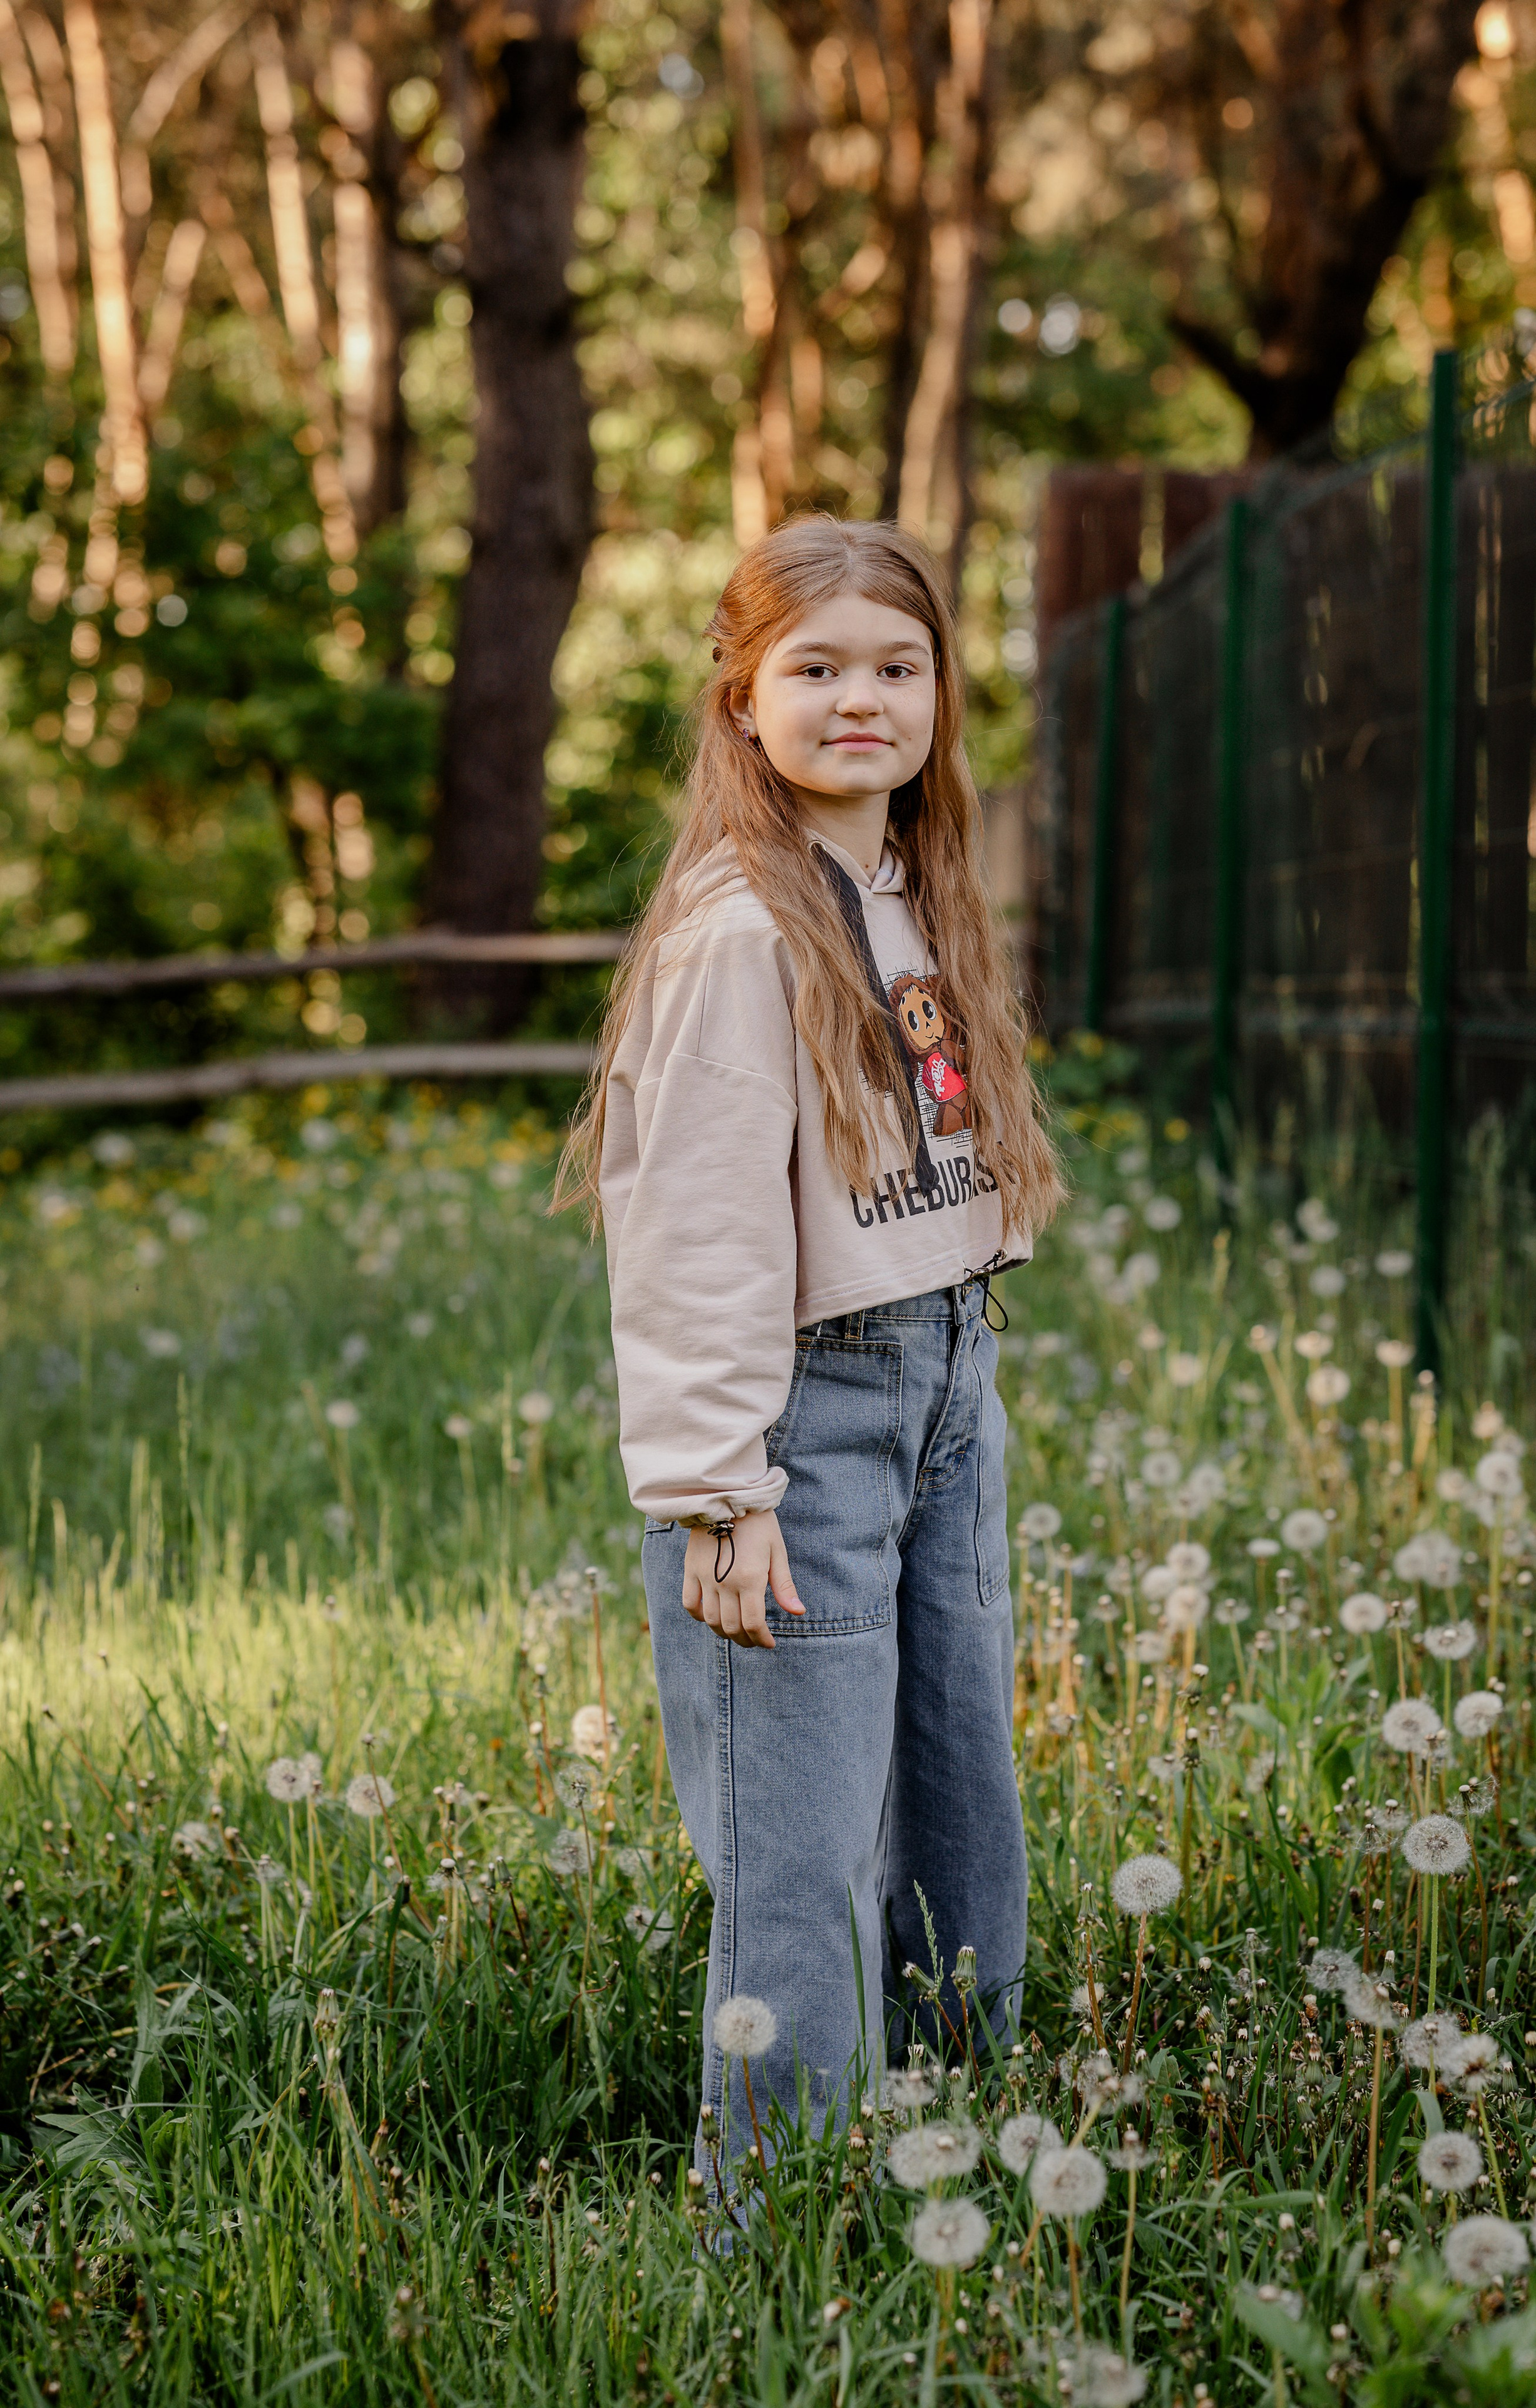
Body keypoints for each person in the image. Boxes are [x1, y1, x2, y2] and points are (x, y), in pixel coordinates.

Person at [557, 515, 1062, 2180]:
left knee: (951, 1782)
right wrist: (720, 1486)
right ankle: (773, 2219)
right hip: (804, 1416)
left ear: (939, 696)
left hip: (941, 1381)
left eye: (898, 667)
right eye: (819, 668)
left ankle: (945, 2135)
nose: (864, 700)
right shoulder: (742, 928)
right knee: (805, 1835)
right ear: (742, 694)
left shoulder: (907, 894)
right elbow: (694, 1220)